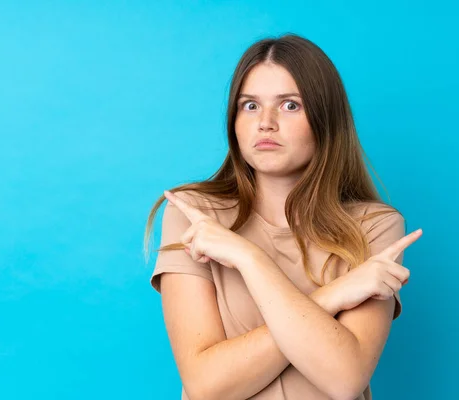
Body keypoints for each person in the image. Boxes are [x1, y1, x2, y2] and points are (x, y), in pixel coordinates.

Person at [143, 33, 423, 400]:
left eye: (290, 105)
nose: (266, 123)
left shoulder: (374, 226)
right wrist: (333, 296)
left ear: (325, 118)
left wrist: (248, 259)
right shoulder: (194, 215)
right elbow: (207, 384)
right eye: (250, 106)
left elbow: (344, 379)